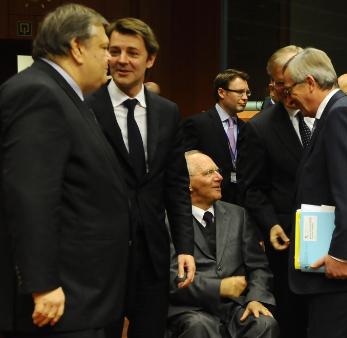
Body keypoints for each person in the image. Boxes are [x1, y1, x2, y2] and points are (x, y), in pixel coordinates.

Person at [0, 4, 130, 337]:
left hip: (83, 294)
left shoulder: (68, 97)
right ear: (76, 47)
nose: (111, 59)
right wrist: (41, 283)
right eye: (104, 48)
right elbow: (31, 193)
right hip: (59, 298)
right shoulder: (38, 92)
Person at [86, 18, 195, 338]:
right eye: (114, 50)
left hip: (152, 252)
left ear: (150, 59)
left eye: (132, 52)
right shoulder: (86, 107)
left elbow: (176, 185)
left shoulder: (167, 112)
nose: (121, 60)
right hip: (101, 253)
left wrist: (185, 246)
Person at [283, 47, 347, 338]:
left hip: (335, 269)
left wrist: (341, 253)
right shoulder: (333, 114)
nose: (288, 98)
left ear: (309, 82)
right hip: (324, 269)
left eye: (290, 88)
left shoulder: (341, 114)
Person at [237, 45, 309, 338]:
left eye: (292, 79)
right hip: (287, 239)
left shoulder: (330, 116)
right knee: (292, 318)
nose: (286, 87)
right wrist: (271, 224)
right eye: (280, 82)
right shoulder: (260, 128)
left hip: (332, 238)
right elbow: (251, 188)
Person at [167, 151, 279, 338]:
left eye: (217, 171)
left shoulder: (238, 215)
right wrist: (219, 287)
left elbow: (259, 267)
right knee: (200, 326)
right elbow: (171, 278)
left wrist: (256, 298)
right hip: (191, 309)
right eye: (208, 173)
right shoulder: (168, 220)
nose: (219, 177)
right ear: (188, 184)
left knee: (264, 323)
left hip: (235, 307)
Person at [181, 69, 250, 204]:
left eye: (247, 92)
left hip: (241, 200)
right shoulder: (198, 124)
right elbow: (186, 165)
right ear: (221, 92)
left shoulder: (246, 128)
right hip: (208, 199)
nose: (245, 97)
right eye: (240, 92)